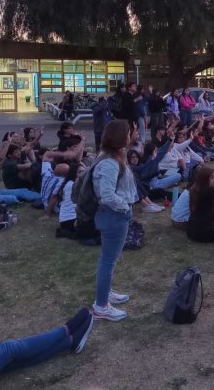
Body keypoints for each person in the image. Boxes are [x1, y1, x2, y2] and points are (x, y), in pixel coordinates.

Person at [91, 120, 138, 322]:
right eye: (128, 133)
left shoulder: (115, 157)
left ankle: (106, 292)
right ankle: (101, 306)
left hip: (113, 215)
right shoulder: (109, 162)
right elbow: (107, 195)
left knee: (108, 259)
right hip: (114, 215)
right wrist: (124, 206)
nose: (131, 136)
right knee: (108, 261)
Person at [187, 161, 214, 242]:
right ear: (206, 178)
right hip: (202, 232)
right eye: (212, 177)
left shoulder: (194, 188)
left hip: (191, 229)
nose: (213, 179)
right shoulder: (205, 190)